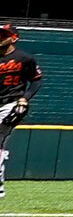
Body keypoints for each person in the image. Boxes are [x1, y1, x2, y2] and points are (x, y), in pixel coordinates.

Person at [0, 23, 39, 198]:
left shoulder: (24, 58)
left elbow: (36, 80)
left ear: (13, 38)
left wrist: (25, 98)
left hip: (10, 104)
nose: (0, 37)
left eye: (4, 34)